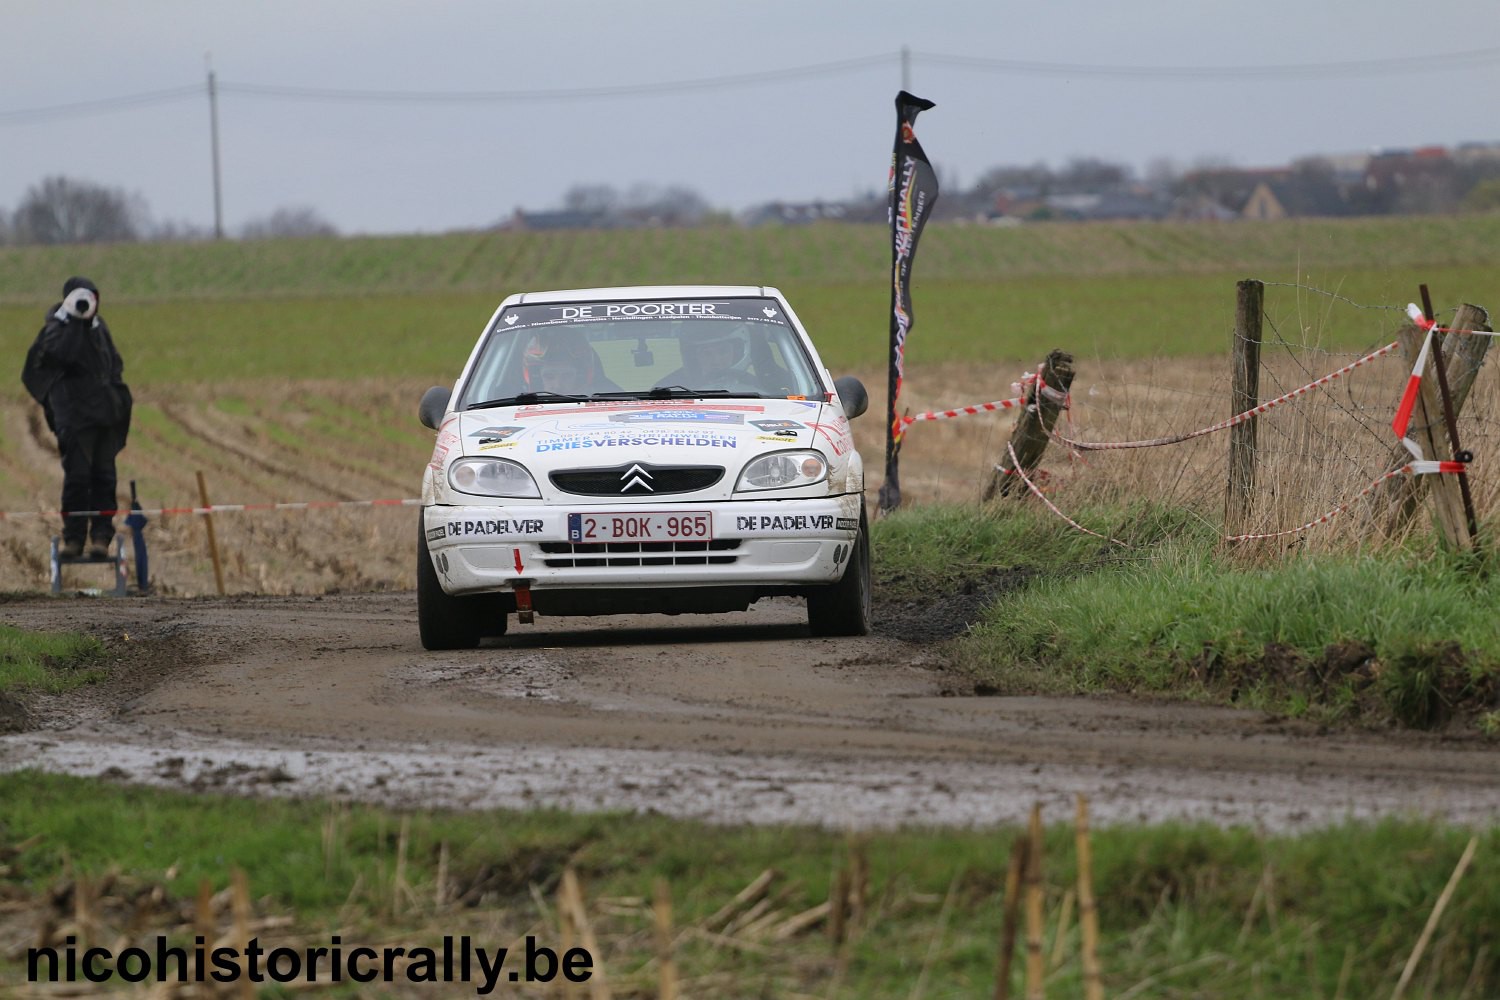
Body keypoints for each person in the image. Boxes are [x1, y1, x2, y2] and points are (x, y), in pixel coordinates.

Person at [21, 277, 133, 560]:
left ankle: (100, 537)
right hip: (75, 418)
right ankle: (73, 539)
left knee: (105, 479)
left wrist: (116, 397)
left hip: (104, 418)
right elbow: (58, 357)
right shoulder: (56, 328)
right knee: (78, 479)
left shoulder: (100, 327)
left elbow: (114, 363)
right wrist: (73, 321)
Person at [656, 327, 757, 391]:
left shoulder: (757, 387)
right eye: (706, 353)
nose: (716, 361)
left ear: (736, 353)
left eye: (723, 351)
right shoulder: (666, 388)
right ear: (695, 357)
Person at [521, 330, 617, 394]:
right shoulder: (515, 398)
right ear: (535, 377)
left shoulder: (612, 397)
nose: (558, 385)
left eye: (567, 376)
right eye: (549, 376)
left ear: (581, 375)